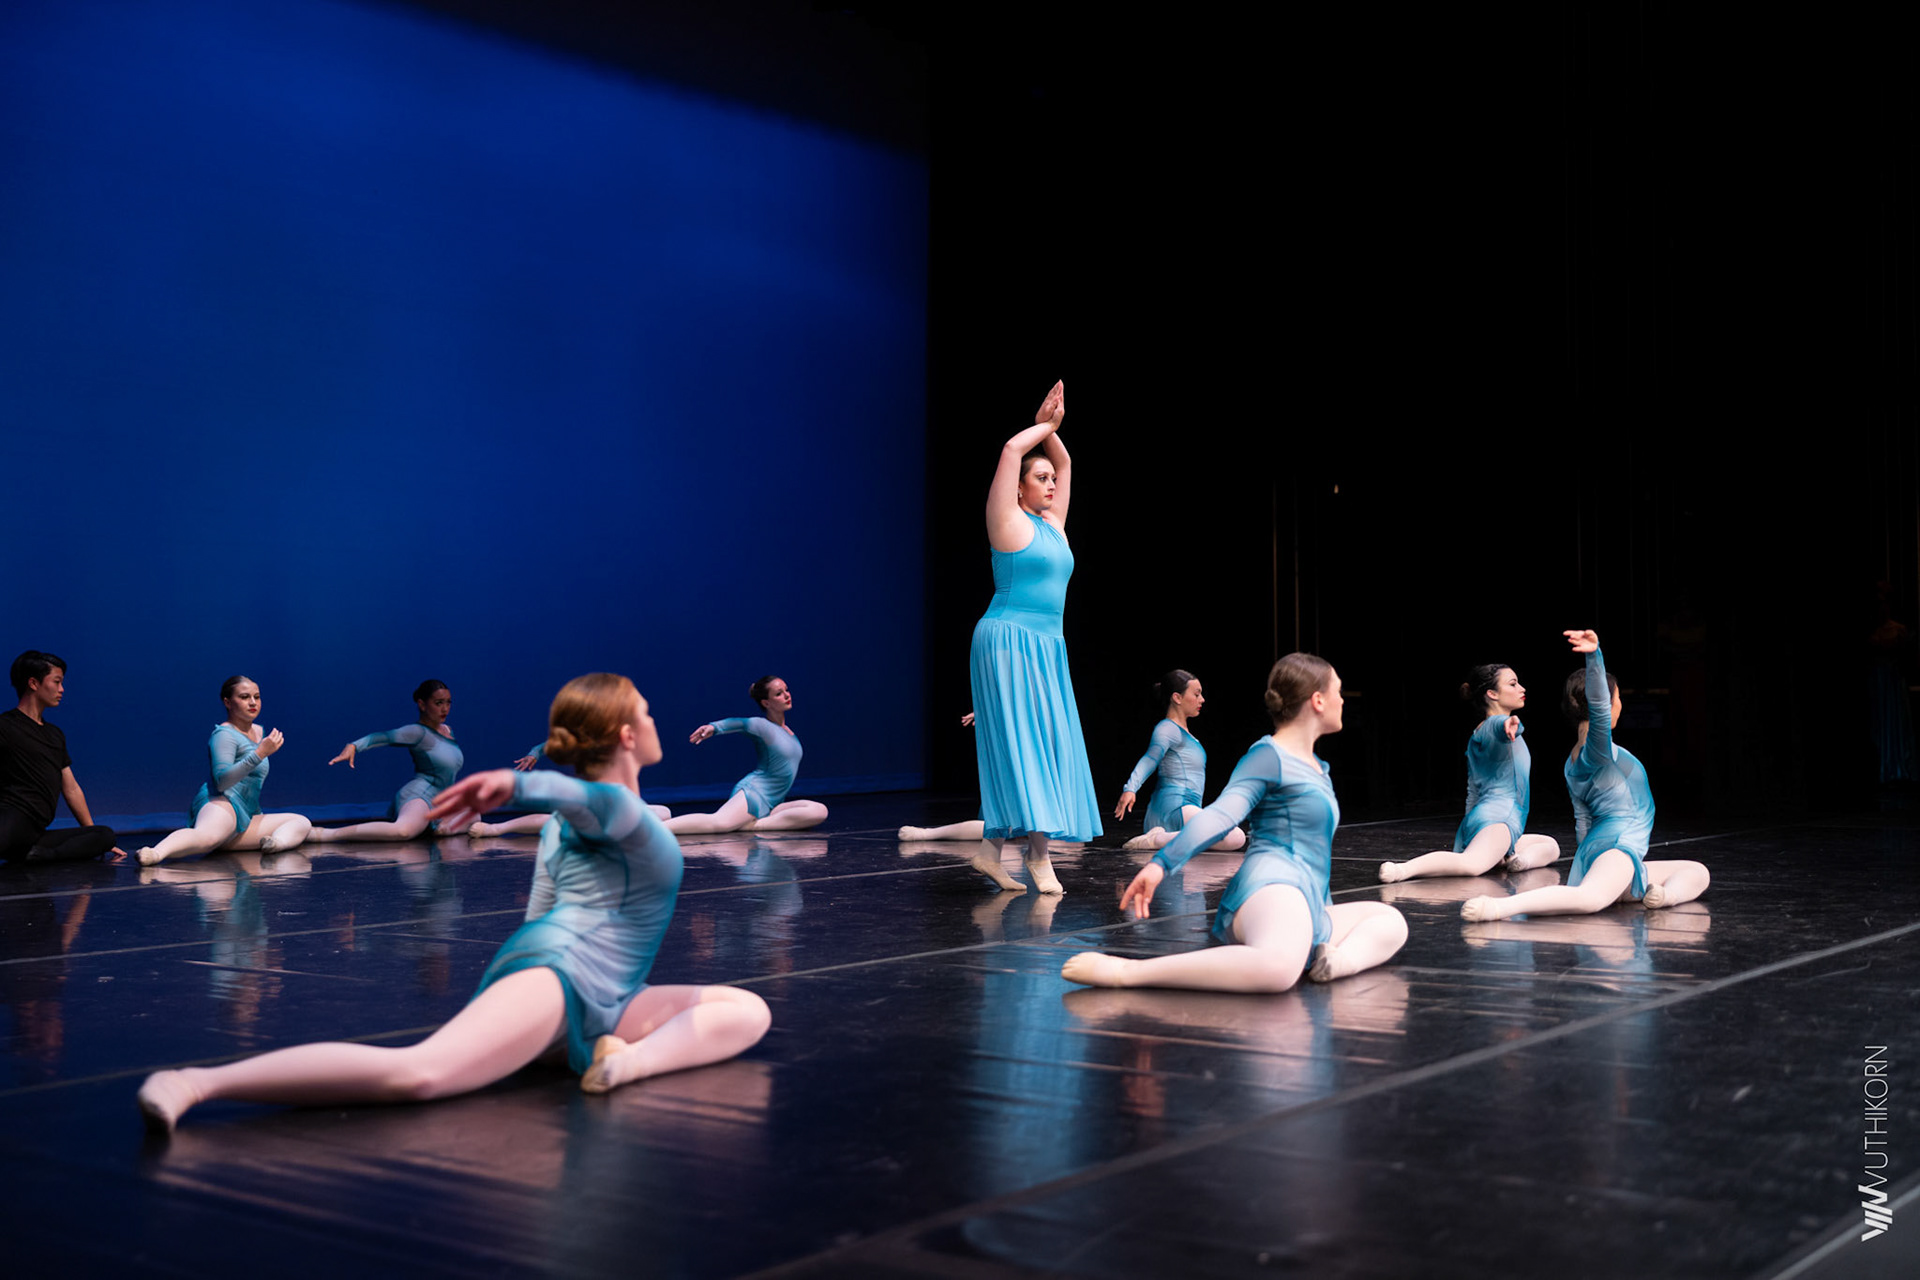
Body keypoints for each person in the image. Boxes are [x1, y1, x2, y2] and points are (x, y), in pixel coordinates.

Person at [136, 673, 771, 1132]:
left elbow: (547, 889)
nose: (658, 724)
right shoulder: (600, 806)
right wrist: (514, 785)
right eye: (649, 715)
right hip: (558, 976)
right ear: (626, 734)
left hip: (610, 995)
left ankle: (622, 1064)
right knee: (421, 1074)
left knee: (746, 1011)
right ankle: (196, 1083)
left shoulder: (609, 815)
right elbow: (581, 802)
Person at [1061, 654, 1407, 991]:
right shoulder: (1268, 755)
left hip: (1311, 899)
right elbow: (1220, 815)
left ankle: (1334, 961)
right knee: (1279, 970)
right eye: (1338, 691)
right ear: (1318, 700)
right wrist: (1160, 865)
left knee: (1390, 922)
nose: (1342, 700)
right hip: (1273, 886)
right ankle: (1129, 972)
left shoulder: (1317, 767)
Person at [1461, 631, 1710, 921]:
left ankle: (1664, 896)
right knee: (1590, 898)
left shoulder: (1573, 761)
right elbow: (1600, 705)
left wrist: (1588, 863)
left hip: (1603, 852)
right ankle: (1499, 907)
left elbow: (1583, 820)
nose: (1619, 704)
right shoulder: (1597, 750)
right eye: (1617, 698)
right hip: (1617, 845)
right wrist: (1594, 656)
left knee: (1697, 871)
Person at [965, 380, 1102, 894]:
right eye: (1040, 478)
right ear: (1018, 487)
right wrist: (1041, 426)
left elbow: (1065, 463)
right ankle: (1039, 855)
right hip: (1007, 639)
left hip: (1047, 647)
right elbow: (1010, 449)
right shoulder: (1006, 521)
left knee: (1043, 741)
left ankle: (989, 852)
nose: (1050, 484)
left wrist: (1054, 431)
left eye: (1051, 480)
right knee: (1028, 743)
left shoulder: (1053, 526)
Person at [1378, 663, 1560, 882]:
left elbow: (1473, 790)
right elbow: (1498, 725)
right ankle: (1402, 870)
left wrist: (1467, 830)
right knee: (1472, 864)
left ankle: (1513, 859)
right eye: (1513, 684)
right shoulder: (1495, 725)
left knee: (1550, 845)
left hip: (1486, 818)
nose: (1522, 688)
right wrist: (1509, 723)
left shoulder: (1478, 733)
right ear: (1492, 694)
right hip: (1499, 818)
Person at [135, 676, 312, 865]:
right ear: (228, 702)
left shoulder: (259, 732)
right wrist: (260, 753)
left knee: (302, 822)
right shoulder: (224, 735)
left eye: (257, 697)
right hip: (223, 802)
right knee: (207, 837)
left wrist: (335, 834)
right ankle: (156, 853)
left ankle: (274, 844)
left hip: (247, 814)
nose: (253, 702)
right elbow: (222, 782)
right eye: (244, 697)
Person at [662, 676, 827, 834]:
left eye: (786, 690)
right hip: (756, 793)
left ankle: (750, 826)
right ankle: (657, 829)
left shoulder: (788, 732)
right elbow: (740, 723)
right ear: (766, 703)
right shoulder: (763, 725)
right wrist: (714, 728)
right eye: (779, 693)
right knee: (719, 822)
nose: (786, 695)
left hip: (774, 802)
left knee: (819, 811)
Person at [305, 681, 464, 844]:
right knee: (403, 831)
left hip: (443, 799)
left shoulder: (448, 731)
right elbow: (384, 737)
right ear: (422, 704)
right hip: (422, 795)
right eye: (438, 703)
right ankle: (326, 834)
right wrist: (354, 746)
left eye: (448, 702)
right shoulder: (417, 732)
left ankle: (443, 828)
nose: (445, 708)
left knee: (474, 810)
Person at [0, 651, 119, 863]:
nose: (62, 689)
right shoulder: (5, 726)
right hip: (12, 816)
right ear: (33, 683)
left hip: (34, 831)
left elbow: (71, 788)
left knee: (105, 835)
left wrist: (90, 832)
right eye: (57, 682)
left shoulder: (54, 735)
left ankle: (35, 856)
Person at [1114, 670, 1246, 853]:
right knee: (1235, 836)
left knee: (1227, 836)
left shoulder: (1185, 734)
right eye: (1196, 694)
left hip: (1186, 809)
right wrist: (1130, 788)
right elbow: (1150, 758)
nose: (1202, 700)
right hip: (1173, 808)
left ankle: (1174, 839)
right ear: (1177, 697)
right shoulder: (1167, 729)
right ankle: (1156, 840)